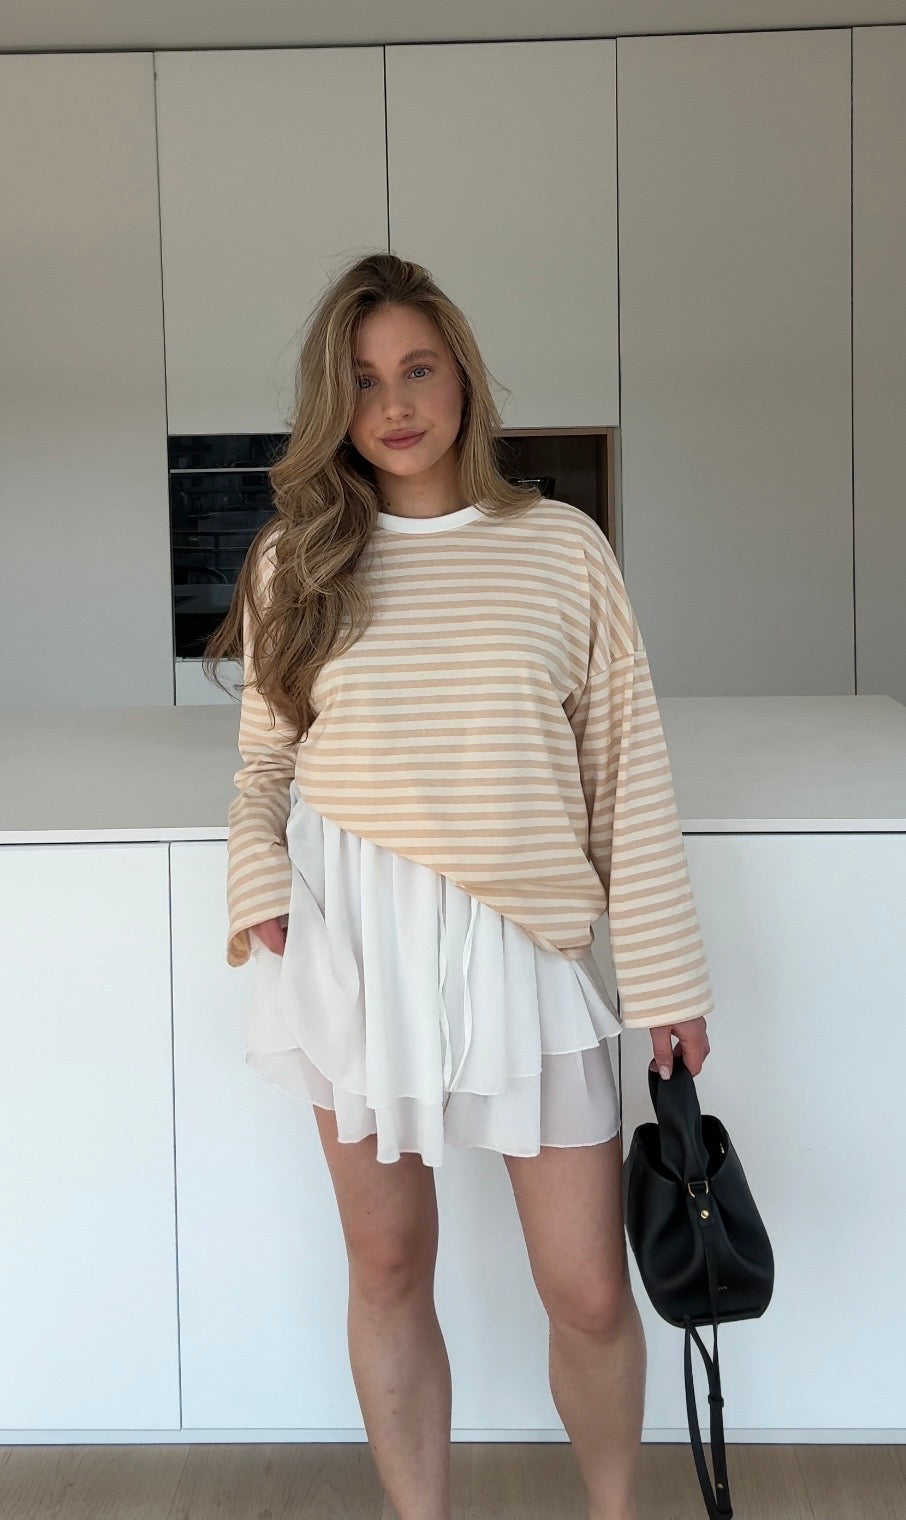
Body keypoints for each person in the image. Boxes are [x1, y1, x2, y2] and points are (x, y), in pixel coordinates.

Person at [205, 251, 713, 1520]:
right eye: (364, 377)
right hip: (353, 942)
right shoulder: (296, 561)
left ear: (464, 379)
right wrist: (256, 877)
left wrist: (667, 979)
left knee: (588, 1288)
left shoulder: (559, 548)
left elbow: (626, 771)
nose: (394, 402)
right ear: (334, 401)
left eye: (418, 367)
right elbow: (264, 764)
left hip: (526, 942)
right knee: (386, 1265)